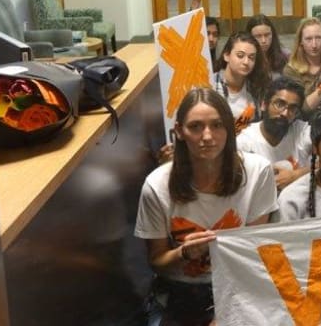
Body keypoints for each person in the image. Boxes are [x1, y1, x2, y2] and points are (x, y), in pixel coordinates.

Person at [134, 87, 278, 326]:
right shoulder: (157, 185)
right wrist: (184, 253)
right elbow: (157, 260)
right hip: (181, 291)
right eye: (196, 127)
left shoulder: (257, 172)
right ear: (179, 131)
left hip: (239, 284)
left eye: (217, 125)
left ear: (230, 128)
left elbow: (254, 251)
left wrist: (226, 311)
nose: (208, 136)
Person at [236, 76, 312, 191]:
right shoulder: (244, 142)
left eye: (292, 109)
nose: (285, 113)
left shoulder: (301, 131)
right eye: (279, 104)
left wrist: (294, 176)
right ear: (263, 105)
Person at [212, 32, 269, 132]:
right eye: (240, 55)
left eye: (251, 57)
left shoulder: (256, 89)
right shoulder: (210, 84)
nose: (246, 62)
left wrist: (242, 122)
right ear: (226, 55)